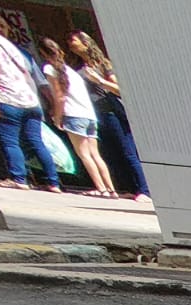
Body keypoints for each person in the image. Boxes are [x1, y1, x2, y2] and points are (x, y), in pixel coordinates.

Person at [0, 6, 61, 192]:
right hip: (30, 99)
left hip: (7, 97)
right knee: (36, 141)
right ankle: (53, 182)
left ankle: (18, 178)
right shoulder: (7, 43)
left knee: (10, 141)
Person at [67, 30, 148, 200]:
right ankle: (128, 187)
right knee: (110, 153)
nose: (70, 43)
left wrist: (100, 81)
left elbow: (119, 89)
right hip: (93, 114)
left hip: (110, 112)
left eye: (73, 40)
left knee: (127, 151)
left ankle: (145, 190)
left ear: (85, 42)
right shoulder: (77, 68)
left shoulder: (104, 64)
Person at [38, 38, 115, 197]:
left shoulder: (50, 69)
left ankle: (100, 188)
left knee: (84, 154)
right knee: (95, 154)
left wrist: (57, 117)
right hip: (89, 115)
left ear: (43, 53)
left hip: (73, 114)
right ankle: (111, 189)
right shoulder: (72, 71)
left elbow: (59, 97)